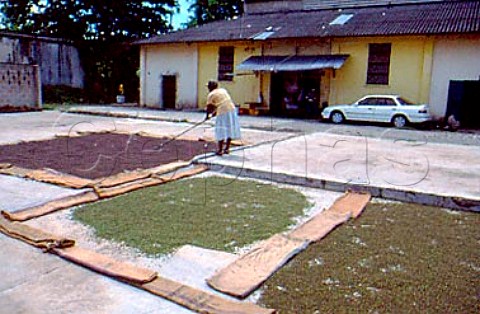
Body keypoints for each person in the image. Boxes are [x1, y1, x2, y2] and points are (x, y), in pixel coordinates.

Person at [205, 80, 241, 155]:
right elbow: (221, 103)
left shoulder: (211, 95)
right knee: (229, 128)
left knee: (220, 129)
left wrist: (207, 116)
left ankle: (220, 150)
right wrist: (214, 114)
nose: (208, 88)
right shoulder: (223, 90)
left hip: (223, 111)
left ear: (210, 87)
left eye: (208, 87)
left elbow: (209, 107)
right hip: (232, 110)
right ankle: (227, 149)